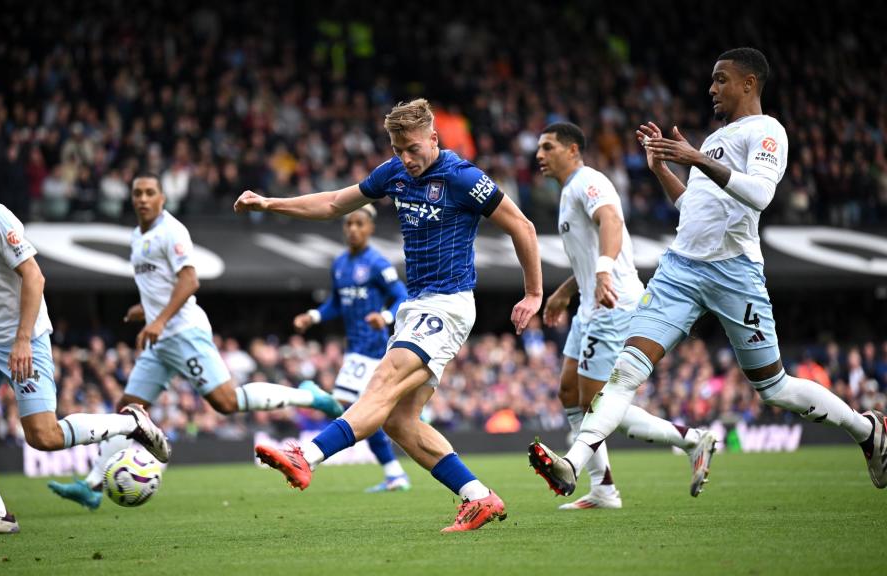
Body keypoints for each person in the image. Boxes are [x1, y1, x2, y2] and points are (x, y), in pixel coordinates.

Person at [529, 47, 887, 495]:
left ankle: (867, 430)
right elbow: (692, 211)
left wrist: (695, 157)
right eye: (712, 80)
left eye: (721, 79)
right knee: (624, 372)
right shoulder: (716, 139)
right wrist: (663, 169)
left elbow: (759, 194)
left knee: (773, 388)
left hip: (735, 273)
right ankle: (574, 464)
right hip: (679, 269)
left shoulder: (767, 131)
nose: (711, 88)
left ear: (749, 83)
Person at [235, 98, 543, 532]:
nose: (406, 158)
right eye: (398, 149)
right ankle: (478, 497)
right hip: (417, 305)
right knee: (398, 420)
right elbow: (332, 204)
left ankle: (306, 456)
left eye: (413, 148)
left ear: (434, 139)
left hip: (447, 303)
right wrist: (270, 204)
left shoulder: (462, 177)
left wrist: (533, 293)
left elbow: (522, 226)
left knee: (380, 382)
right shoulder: (394, 172)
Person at [48, 174, 343, 510]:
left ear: (162, 198)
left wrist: (157, 319)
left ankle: (311, 395)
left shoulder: (171, 232)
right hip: (159, 339)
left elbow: (189, 281)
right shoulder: (136, 236)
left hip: (183, 332)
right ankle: (92, 487)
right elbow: (160, 288)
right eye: (137, 194)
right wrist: (143, 310)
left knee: (226, 402)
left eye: (149, 193)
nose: (143, 199)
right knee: (129, 411)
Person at [0, 137, 170, 537]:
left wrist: (22, 339)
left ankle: (130, 424)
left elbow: (35, 276)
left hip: (26, 337)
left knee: (44, 436)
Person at [533, 122, 716, 509]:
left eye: (548, 147)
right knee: (569, 390)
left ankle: (689, 438)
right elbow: (589, 250)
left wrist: (601, 273)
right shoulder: (567, 193)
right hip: (588, 302)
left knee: (595, 402)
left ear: (572, 150)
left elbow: (612, 222)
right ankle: (601, 488)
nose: (539, 155)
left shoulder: (588, 181)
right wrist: (566, 291)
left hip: (612, 300)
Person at [292, 204, 413, 493]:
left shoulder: (378, 263)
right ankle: (394, 474)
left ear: (370, 228)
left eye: (359, 224)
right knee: (362, 414)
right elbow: (336, 302)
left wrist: (384, 317)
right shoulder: (340, 264)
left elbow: (402, 296)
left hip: (372, 347)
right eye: (349, 224)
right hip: (354, 347)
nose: (353, 229)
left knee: (349, 407)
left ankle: (313, 405)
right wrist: (314, 316)